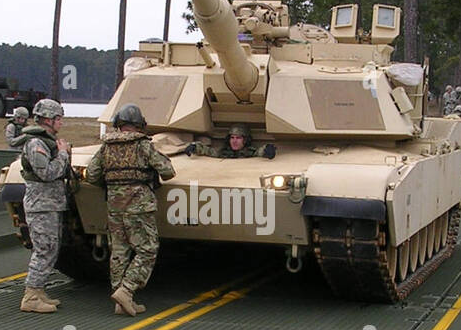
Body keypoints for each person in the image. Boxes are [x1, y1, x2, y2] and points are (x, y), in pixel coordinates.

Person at [85, 103, 176, 317]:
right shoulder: (143, 146)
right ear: (139, 125)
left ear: (118, 124)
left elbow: (91, 175)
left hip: (114, 207)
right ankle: (127, 290)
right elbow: (168, 171)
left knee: (119, 251)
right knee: (147, 249)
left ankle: (121, 300)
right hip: (139, 206)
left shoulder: (106, 147)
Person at [18, 98, 71, 313]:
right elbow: (46, 173)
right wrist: (64, 155)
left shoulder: (45, 142)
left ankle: (38, 291)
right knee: (44, 249)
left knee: (51, 248)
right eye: (58, 119)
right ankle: (31, 295)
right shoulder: (36, 144)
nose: (61, 123)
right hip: (41, 204)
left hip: (50, 204)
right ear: (48, 119)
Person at [185, 123, 275, 159]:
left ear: (245, 140)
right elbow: (209, 151)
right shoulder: (224, 152)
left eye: (238, 138)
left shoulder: (250, 152)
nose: (234, 141)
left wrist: (267, 148)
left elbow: (259, 152)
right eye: (232, 138)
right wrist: (195, 147)